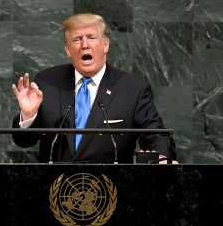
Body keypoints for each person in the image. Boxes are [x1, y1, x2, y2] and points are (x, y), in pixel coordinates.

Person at [11, 13, 177, 164]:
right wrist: (28, 115)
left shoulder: (133, 89)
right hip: (57, 190)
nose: (84, 45)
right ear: (68, 49)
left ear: (105, 45)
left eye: (91, 38)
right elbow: (24, 141)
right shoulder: (47, 82)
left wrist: (161, 158)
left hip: (112, 189)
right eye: (77, 39)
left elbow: (156, 134)